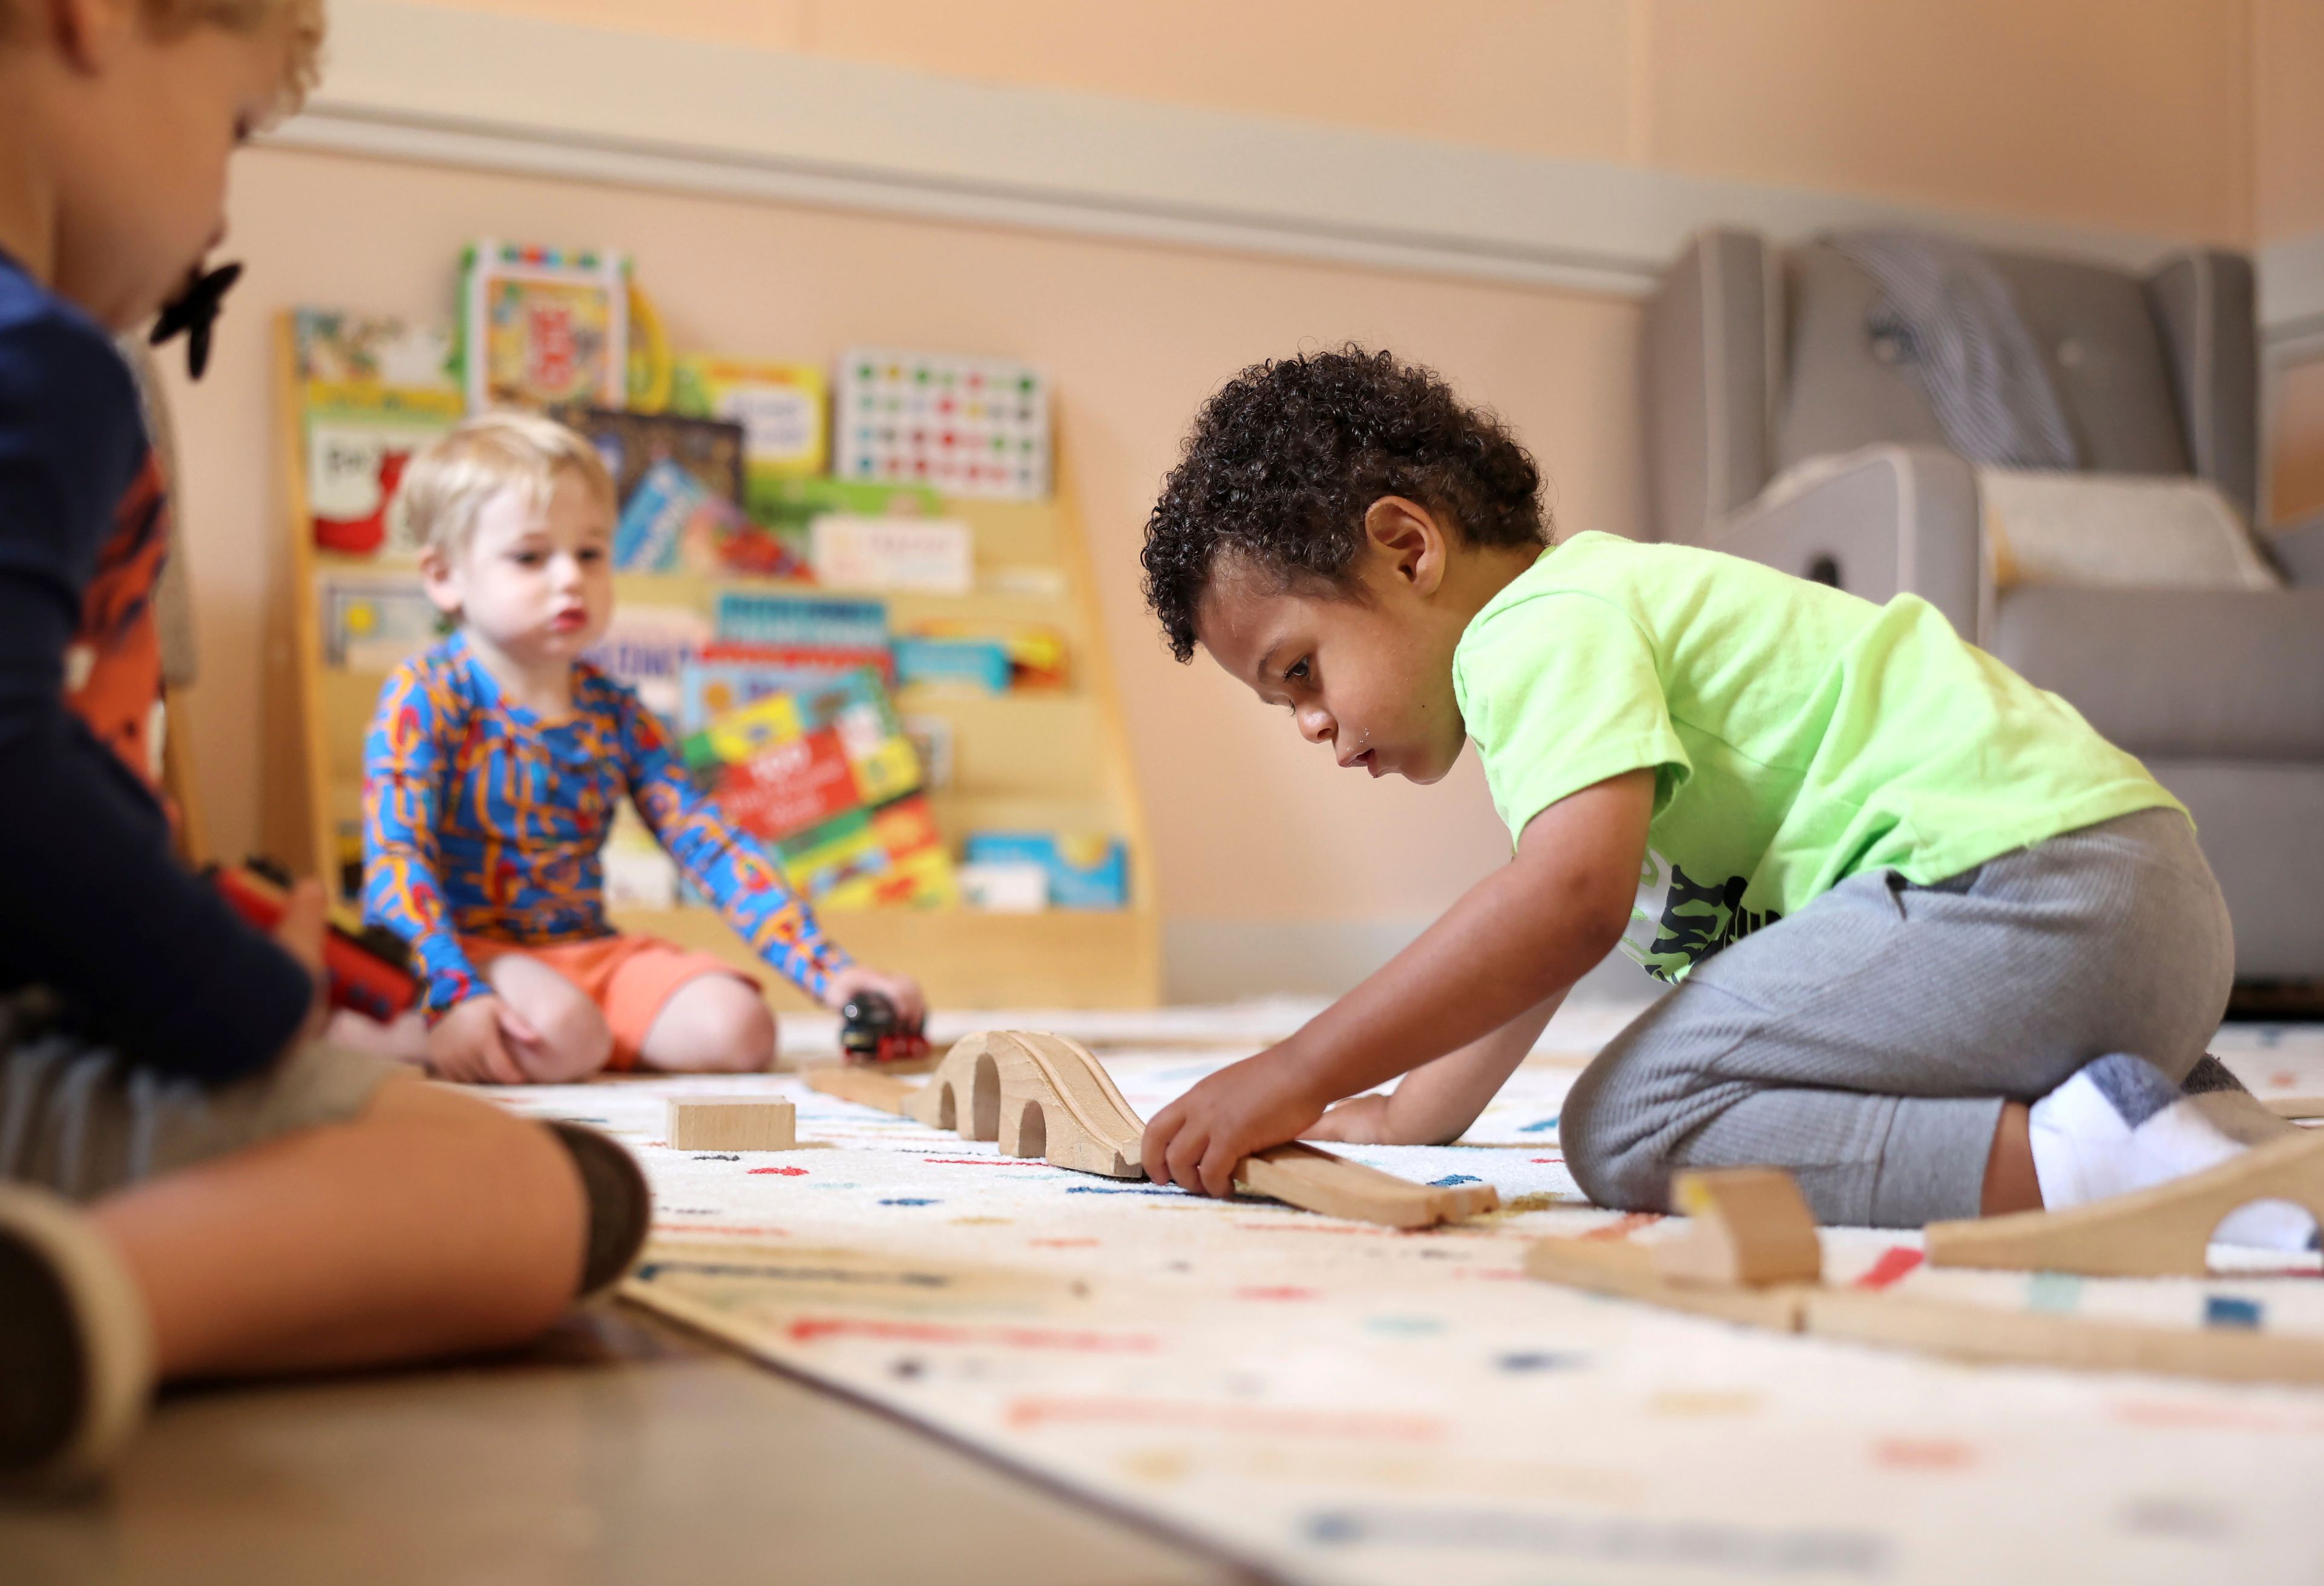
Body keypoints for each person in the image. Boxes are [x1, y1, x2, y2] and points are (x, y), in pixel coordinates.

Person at [1134, 346, 2308, 1248]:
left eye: (1301, 671)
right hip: (2146, 917)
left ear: (1406, 548)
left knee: (1633, 1118)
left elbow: (1565, 907)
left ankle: (2086, 1171)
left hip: (2015, 894)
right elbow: (1536, 941)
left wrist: (1299, 1068)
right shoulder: (1593, 647)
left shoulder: (1536, 630)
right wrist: (1403, 1117)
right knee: (1774, 1053)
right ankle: (2211, 1150)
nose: (1314, 727)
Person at [0, 0, 648, 1486]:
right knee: (544, 1190)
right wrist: (238, 996)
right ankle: (92, 1301)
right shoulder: (45, 364)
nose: (221, 206)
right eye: (229, 127)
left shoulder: (608, 708)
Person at [361, 412, 925, 1084]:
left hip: (584, 951)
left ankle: (571, 1033)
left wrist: (834, 974)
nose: (570, 577)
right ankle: (383, 1024)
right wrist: (448, 990)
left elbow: (710, 844)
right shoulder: (425, 695)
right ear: (444, 577)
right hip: (459, 951)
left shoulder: (614, 709)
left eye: (591, 553)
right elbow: (397, 864)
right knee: (567, 1035)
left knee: (742, 1029)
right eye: (531, 557)